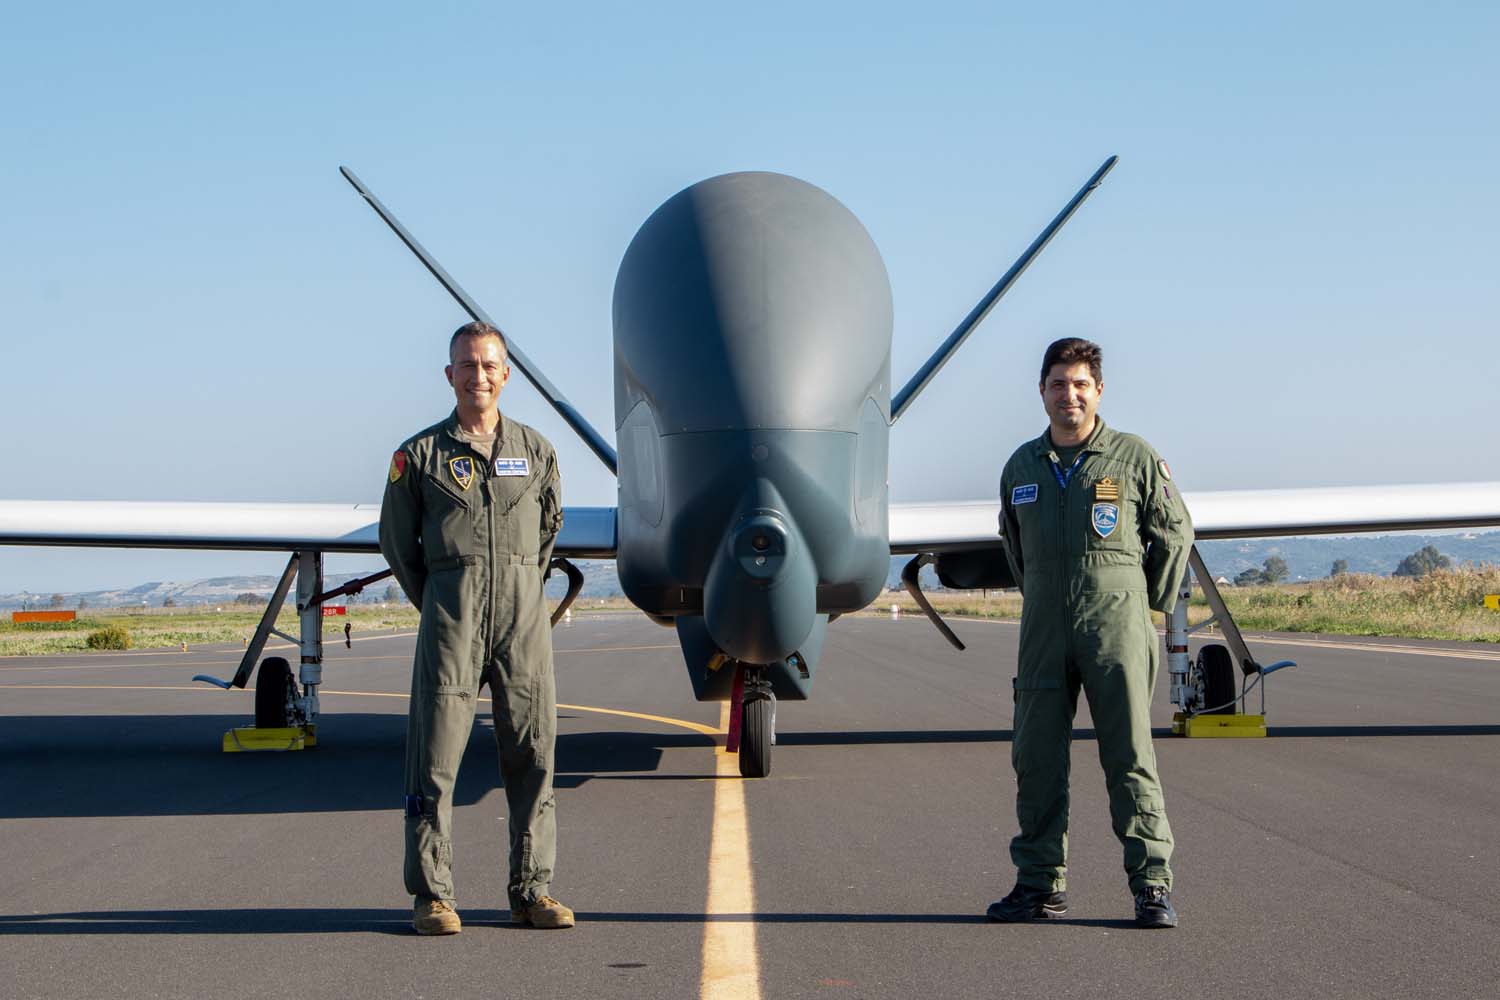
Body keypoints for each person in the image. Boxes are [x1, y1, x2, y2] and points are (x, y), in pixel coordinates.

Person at [991, 337, 1192, 929]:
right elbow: (1013, 544)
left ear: (1098, 390)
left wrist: (1141, 602)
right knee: (1036, 759)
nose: (1068, 395)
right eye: (1058, 384)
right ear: (1043, 393)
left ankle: (1152, 886)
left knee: (1129, 757)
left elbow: (1175, 534)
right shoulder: (1021, 466)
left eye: (1080, 384)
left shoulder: (1132, 458)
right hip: (1044, 629)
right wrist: (1044, 595)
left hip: (1116, 627)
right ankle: (1038, 885)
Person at [380, 320, 571, 934]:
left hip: (522, 625)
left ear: (506, 374)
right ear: (449, 374)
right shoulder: (420, 457)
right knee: (433, 763)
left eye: (490, 365)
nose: (479, 376)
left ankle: (532, 891)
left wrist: (515, 590)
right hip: (450, 629)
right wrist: (444, 596)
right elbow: (398, 544)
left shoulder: (537, 451)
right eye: (467, 365)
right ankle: (432, 896)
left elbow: (546, 536)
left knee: (534, 757)